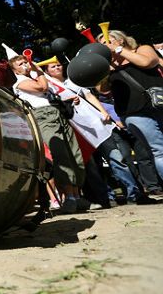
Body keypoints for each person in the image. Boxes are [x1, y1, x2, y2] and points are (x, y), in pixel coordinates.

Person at [43, 62, 155, 205]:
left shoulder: (74, 80)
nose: (57, 67)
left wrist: (103, 113)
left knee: (117, 158)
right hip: (77, 132)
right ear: (47, 71)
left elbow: (90, 96)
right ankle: (105, 198)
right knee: (92, 168)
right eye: (53, 67)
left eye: (58, 65)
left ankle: (134, 194)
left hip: (96, 125)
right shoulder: (49, 87)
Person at [9, 55, 86, 213]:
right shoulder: (19, 82)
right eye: (21, 64)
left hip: (56, 113)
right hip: (43, 116)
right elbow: (41, 88)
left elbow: (49, 94)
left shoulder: (34, 78)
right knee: (61, 155)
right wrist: (40, 72)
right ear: (14, 70)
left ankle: (77, 196)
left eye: (26, 62)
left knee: (74, 153)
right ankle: (69, 197)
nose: (26, 65)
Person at [98, 30, 163, 195]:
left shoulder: (142, 49)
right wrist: (105, 65)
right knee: (159, 149)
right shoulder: (108, 65)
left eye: (107, 41)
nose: (105, 46)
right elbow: (102, 89)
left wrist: (119, 51)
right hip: (134, 113)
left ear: (120, 40)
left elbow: (148, 62)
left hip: (159, 104)